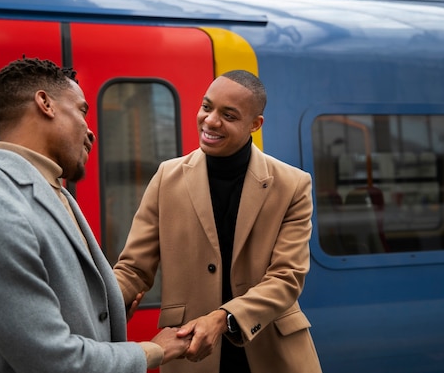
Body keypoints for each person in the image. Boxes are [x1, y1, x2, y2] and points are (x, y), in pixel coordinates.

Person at [0, 57, 190, 373]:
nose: (91, 131)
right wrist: (154, 350)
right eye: (82, 110)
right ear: (45, 103)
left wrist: (103, 311)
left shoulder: (53, 193)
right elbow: (55, 361)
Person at [113, 70, 322, 373]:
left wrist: (222, 319)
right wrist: (97, 307)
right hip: (189, 354)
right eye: (206, 107)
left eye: (229, 115)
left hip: (273, 354)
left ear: (255, 125)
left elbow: (286, 279)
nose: (210, 121)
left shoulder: (293, 184)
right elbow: (133, 269)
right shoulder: (166, 178)